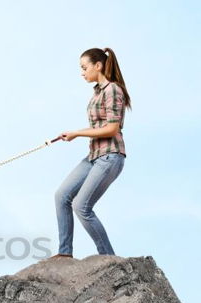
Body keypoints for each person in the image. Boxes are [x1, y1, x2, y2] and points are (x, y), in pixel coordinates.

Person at [48, 47, 132, 260]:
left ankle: (108, 258)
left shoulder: (113, 90)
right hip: (94, 155)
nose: (82, 72)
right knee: (61, 196)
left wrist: (77, 133)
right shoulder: (97, 93)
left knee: (81, 206)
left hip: (110, 155)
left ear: (98, 65)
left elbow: (112, 128)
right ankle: (65, 253)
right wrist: (74, 133)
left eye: (84, 68)